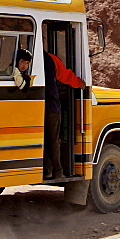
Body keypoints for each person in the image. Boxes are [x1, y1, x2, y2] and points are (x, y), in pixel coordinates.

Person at [43, 48, 84, 180]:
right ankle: (57, 171)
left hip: (34, 107)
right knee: (53, 139)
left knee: (43, 139)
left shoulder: (25, 60)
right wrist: (79, 83)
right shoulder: (50, 58)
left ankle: (46, 170)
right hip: (51, 106)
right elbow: (65, 76)